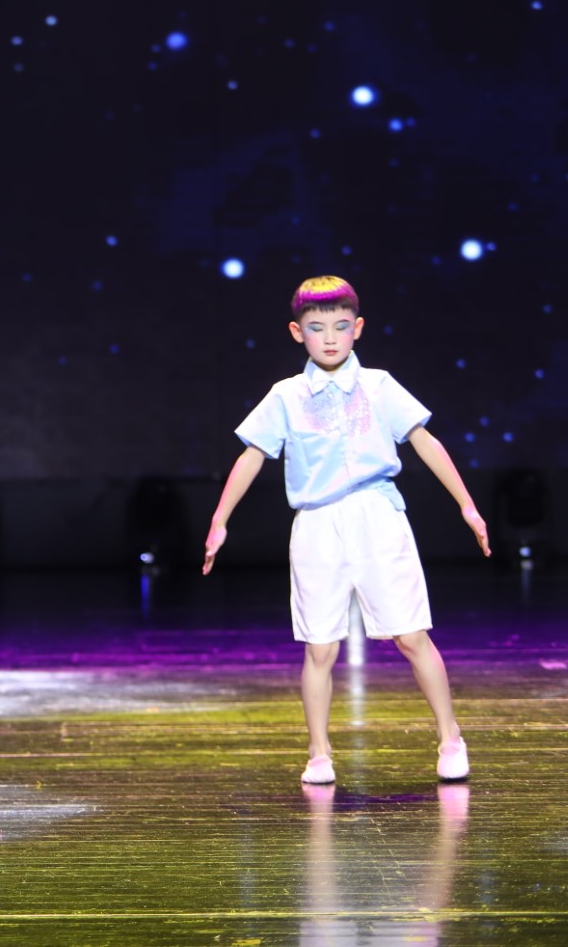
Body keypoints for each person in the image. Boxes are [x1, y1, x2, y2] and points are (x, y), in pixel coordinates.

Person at [202, 276, 489, 786]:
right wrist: (219, 519)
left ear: (357, 328)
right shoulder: (286, 395)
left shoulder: (379, 386)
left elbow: (424, 441)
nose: (330, 338)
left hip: (377, 515)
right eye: (317, 328)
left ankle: (450, 737)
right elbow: (252, 456)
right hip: (316, 524)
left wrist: (467, 505)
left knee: (411, 635)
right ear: (298, 333)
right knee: (319, 646)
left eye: (340, 326)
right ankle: (319, 753)